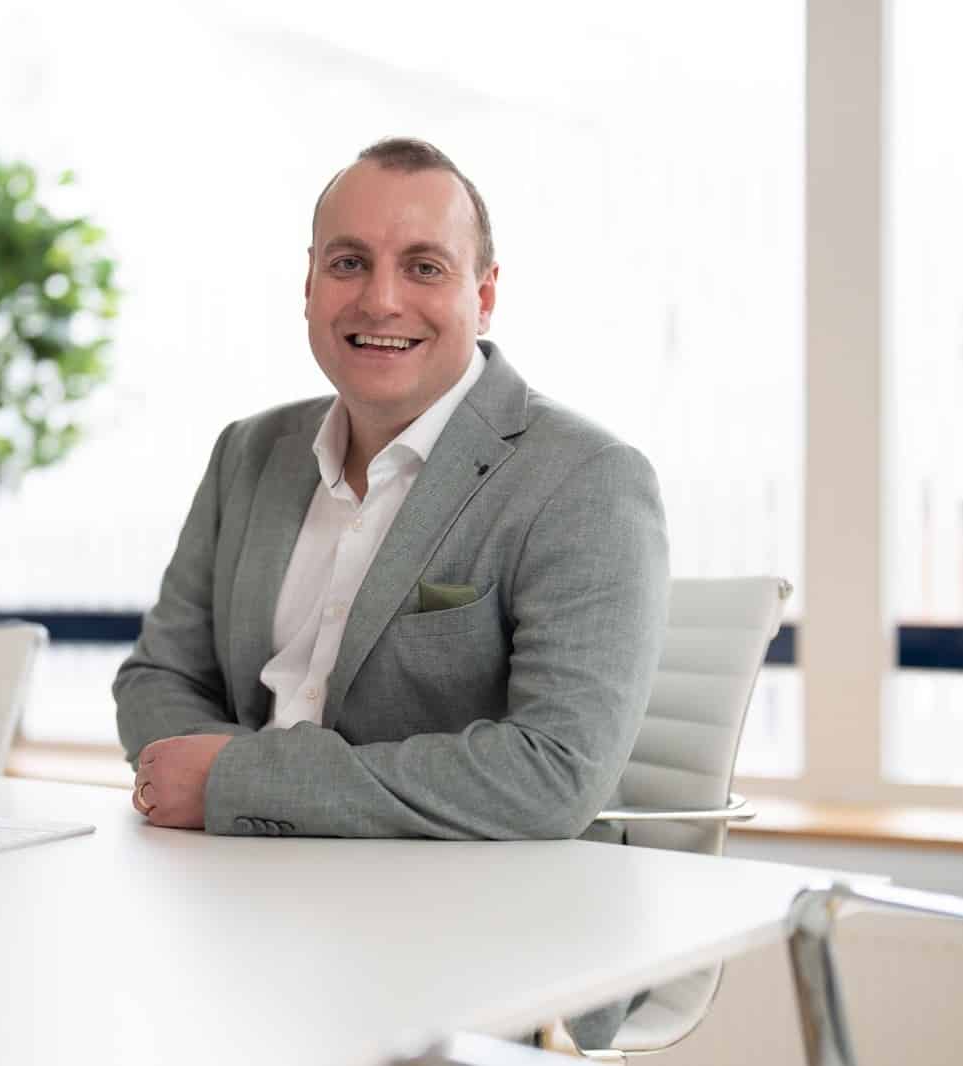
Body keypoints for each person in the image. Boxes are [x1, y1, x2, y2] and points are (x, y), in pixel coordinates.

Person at [114, 137, 668, 844]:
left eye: (424, 267)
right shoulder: (247, 453)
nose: (380, 301)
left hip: (477, 899)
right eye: (348, 264)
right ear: (309, 285)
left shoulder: (585, 478)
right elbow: (158, 677)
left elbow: (554, 772)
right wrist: (197, 784)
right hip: (233, 874)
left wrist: (239, 782)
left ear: (484, 296)